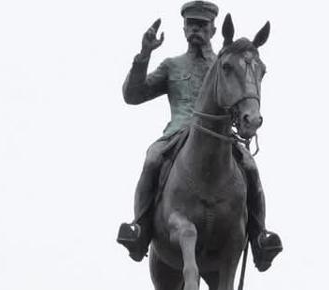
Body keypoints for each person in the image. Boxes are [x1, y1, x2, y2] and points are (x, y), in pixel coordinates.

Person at [116, 0, 282, 270]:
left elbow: (242, 93)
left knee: (250, 167)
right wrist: (144, 54)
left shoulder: (226, 62)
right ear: (183, 29)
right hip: (178, 132)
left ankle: (259, 237)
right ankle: (140, 230)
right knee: (153, 158)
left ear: (213, 30)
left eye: (202, 25)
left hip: (221, 136)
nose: (196, 29)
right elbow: (133, 95)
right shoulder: (172, 65)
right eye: (191, 25)